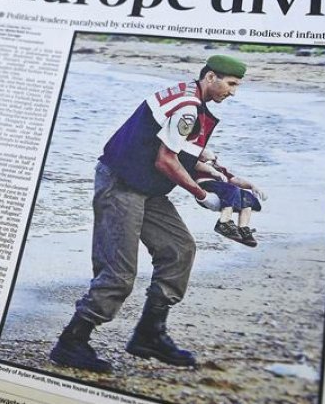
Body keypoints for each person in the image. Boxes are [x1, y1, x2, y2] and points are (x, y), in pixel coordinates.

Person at [49, 55, 247, 373]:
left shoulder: (189, 95)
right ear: (211, 77)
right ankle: (72, 342)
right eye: (231, 84)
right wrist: (202, 195)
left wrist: (219, 173)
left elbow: (178, 153)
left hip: (146, 187)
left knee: (179, 249)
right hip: (121, 183)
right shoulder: (187, 106)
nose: (233, 92)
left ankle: (149, 334)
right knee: (119, 275)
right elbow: (165, 161)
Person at [194, 148, 266, 247]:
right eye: (211, 160)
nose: (214, 162)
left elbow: (236, 180)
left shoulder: (221, 169)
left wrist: (252, 186)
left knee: (247, 196)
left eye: (215, 160)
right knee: (232, 189)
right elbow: (196, 164)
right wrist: (212, 171)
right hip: (207, 185)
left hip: (224, 190)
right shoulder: (199, 166)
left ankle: (243, 229)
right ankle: (223, 222)